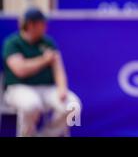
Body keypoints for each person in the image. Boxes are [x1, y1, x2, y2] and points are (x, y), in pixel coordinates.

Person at [2, 7, 81, 137]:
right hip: (18, 88)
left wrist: (62, 89)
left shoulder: (48, 42)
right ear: (30, 24)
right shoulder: (12, 43)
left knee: (73, 106)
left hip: (48, 89)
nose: (45, 26)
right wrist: (44, 60)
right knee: (31, 105)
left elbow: (58, 69)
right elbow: (20, 70)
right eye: (42, 23)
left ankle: (48, 134)